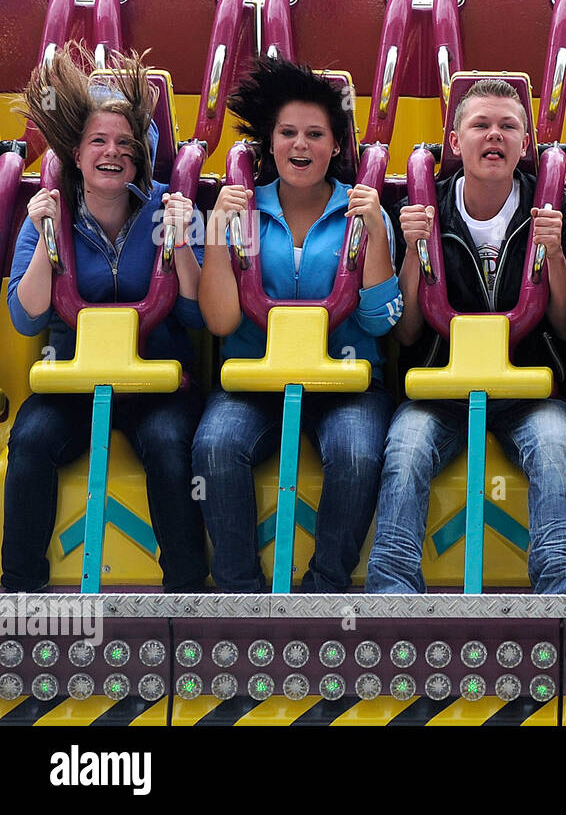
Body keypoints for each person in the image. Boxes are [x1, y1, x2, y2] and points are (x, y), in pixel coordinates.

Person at [365, 78, 566, 594]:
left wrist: (554, 256)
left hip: (528, 390)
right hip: (441, 388)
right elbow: (410, 330)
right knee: (405, 450)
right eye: (480, 125)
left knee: (555, 453)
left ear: (525, 144)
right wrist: (414, 253)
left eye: (509, 126)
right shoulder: (424, 207)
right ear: (455, 141)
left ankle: (558, 604)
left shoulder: (558, 209)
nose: (494, 136)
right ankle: (391, 603)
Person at [3, 45, 207, 593]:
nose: (111, 153)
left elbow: (194, 314)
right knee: (31, 442)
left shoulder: (171, 208)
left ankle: (187, 595)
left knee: (169, 447)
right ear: (76, 153)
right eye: (98, 141)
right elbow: (26, 319)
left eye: (124, 144)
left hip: (158, 381)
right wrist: (47, 237)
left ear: (140, 157)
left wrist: (181, 242)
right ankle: (19, 593)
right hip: (74, 379)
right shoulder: (47, 214)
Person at [192, 58, 400, 593]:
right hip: (256, 379)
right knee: (215, 446)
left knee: (356, 455)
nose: (300, 145)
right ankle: (240, 594)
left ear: (335, 146)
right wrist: (217, 230)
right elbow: (219, 319)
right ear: (270, 142)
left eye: (315, 134)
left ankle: (324, 592)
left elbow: (379, 322)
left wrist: (375, 231)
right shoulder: (243, 211)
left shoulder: (362, 210)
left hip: (346, 381)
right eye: (287, 133)